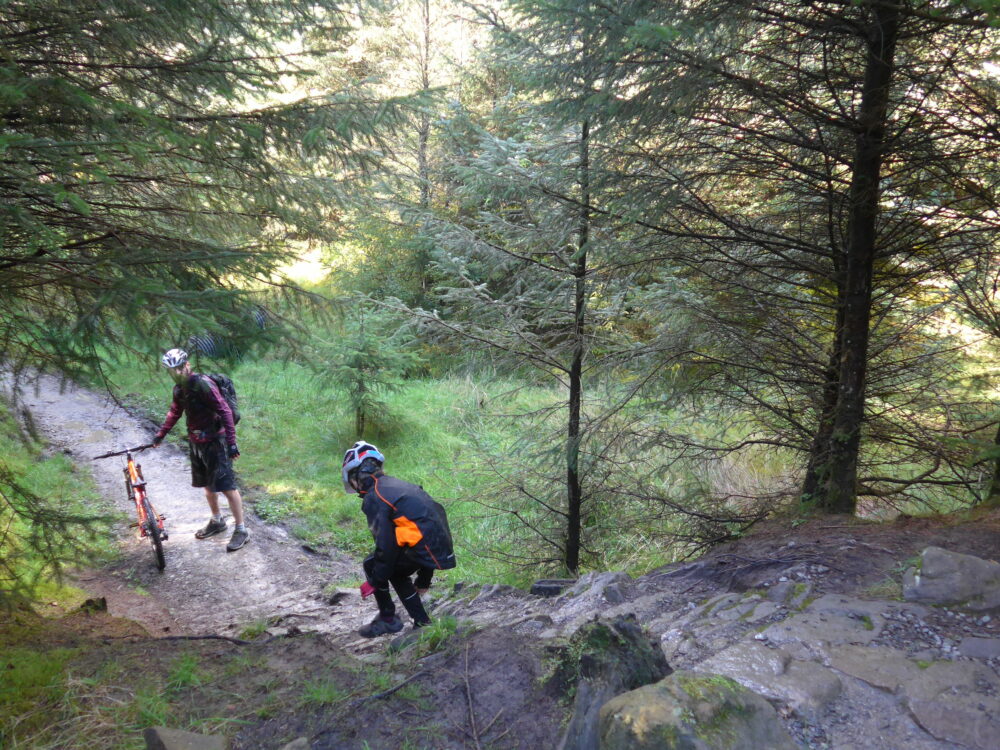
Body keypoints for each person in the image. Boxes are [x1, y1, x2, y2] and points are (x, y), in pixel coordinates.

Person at [342, 441, 456, 637]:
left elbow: (385, 546)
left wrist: (375, 581)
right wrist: (423, 579)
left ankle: (401, 621)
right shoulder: (396, 485)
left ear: (355, 477)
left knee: (378, 566)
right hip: (440, 545)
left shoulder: (375, 496)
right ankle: (406, 617)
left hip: (426, 546)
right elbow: (424, 525)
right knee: (388, 566)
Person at [153, 348, 249, 552]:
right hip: (197, 441)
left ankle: (241, 529)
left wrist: (231, 443)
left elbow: (224, 410)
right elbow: (175, 412)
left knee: (227, 486)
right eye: (173, 370)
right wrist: (161, 434)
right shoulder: (179, 390)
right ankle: (217, 521)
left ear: (187, 365)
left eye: (180, 367)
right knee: (207, 485)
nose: (177, 373)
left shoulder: (203, 384)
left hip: (216, 440)